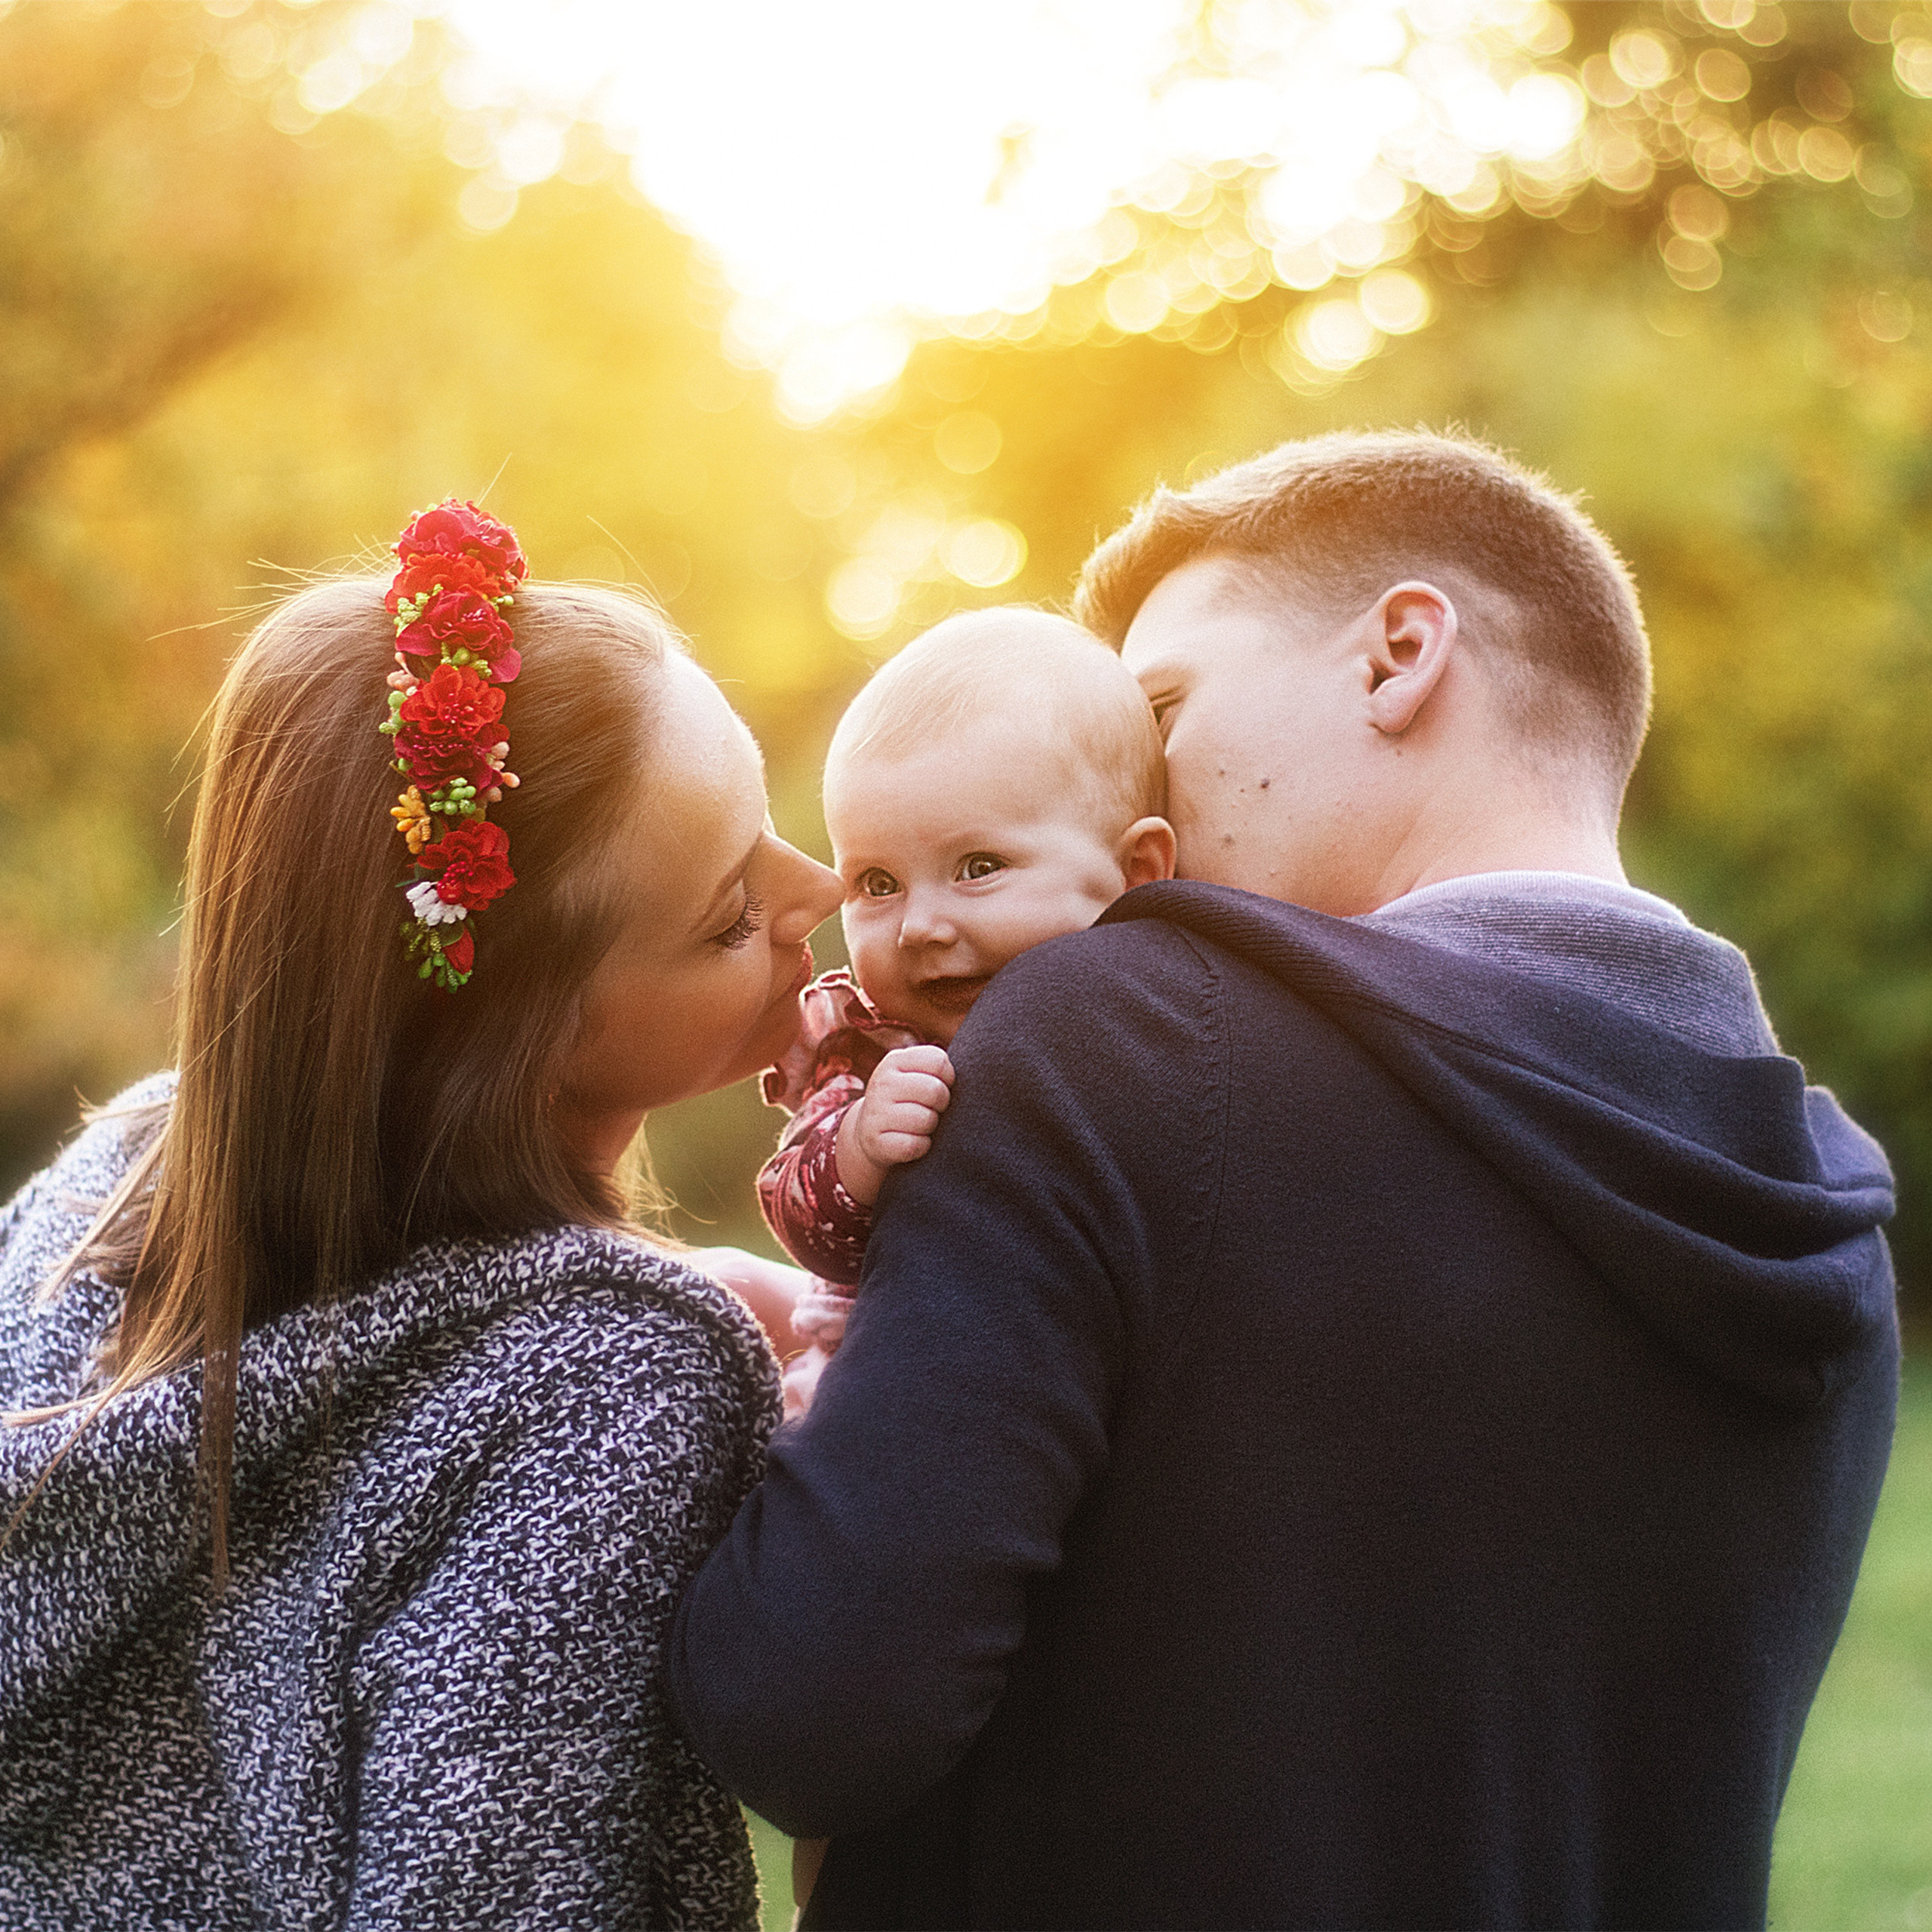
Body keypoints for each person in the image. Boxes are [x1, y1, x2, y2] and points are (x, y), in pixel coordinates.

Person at [666, 432, 1900, 1931]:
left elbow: (808, 1701)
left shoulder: (1112, 1033)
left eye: (1161, 709)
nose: (1139, 798)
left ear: (1397, 653)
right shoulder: (1820, 1205)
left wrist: (715, 1384)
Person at [0, 500, 841, 1930]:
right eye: (727, 917)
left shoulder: (126, 1173)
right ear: (521, 1043)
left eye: (769, 826)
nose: (817, 887)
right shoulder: (617, 1377)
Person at [752, 608, 1174, 1420]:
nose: (920, 926)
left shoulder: (1171, 1023)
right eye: (877, 883)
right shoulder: (868, 1048)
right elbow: (795, 1208)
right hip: (874, 1397)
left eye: (977, 868)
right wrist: (857, 1150)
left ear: (1136, 871)